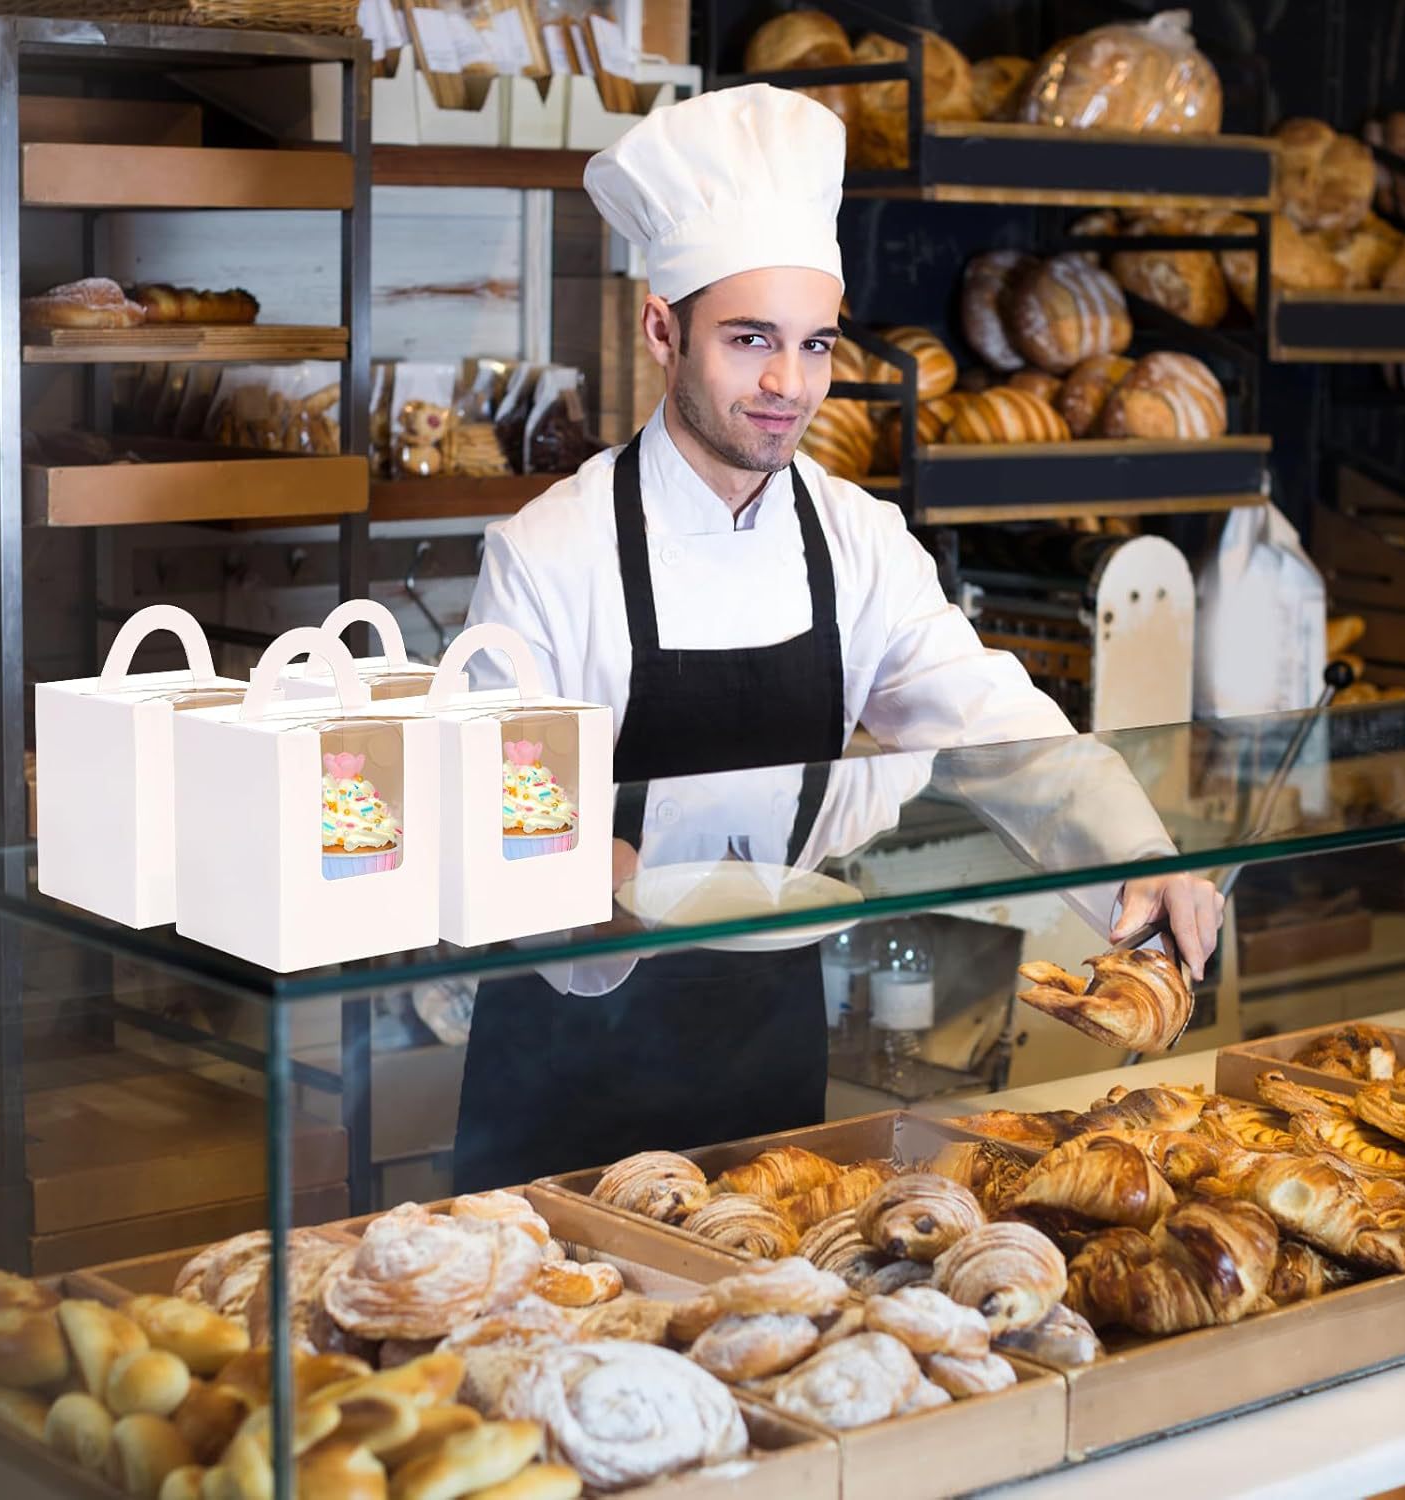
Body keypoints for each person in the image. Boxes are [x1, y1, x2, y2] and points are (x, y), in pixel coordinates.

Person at [452, 85, 1222, 1190]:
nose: (788, 385)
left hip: (768, 1042)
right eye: (751, 340)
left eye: (815, 346)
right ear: (661, 328)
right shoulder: (552, 550)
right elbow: (491, 783)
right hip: (567, 1058)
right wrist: (573, 857)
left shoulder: (856, 543)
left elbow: (998, 730)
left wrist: (1144, 864)